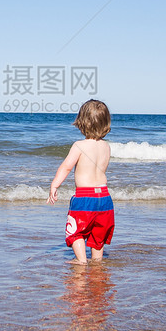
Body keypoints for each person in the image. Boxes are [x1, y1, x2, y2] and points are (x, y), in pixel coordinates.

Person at [48, 99, 113, 264]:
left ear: (82, 122)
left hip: (85, 197)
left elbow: (66, 167)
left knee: (76, 231)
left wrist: (55, 185)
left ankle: (81, 260)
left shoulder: (79, 145)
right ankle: (97, 261)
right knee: (98, 233)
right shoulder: (106, 146)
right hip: (105, 198)